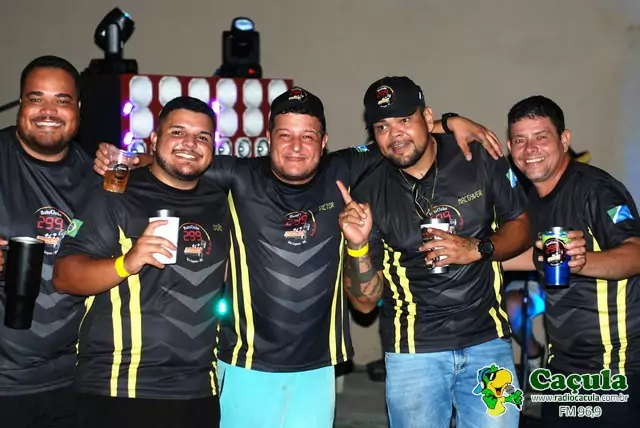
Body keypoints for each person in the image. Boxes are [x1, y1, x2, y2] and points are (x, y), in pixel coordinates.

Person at [93, 86, 503, 428]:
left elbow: (397, 137)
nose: (296, 146)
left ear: (323, 142)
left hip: (318, 369)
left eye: (308, 136)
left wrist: (448, 122)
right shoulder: (238, 176)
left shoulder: (344, 168)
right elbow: (182, 161)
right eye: (285, 134)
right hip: (245, 365)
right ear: (269, 138)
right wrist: (131, 160)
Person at [339, 75, 536, 428]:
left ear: (428, 118)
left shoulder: (476, 156)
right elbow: (365, 304)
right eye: (382, 126)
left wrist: (478, 248)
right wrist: (356, 246)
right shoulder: (369, 188)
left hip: (488, 340)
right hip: (414, 351)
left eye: (404, 119)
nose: (395, 134)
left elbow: (521, 226)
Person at [53, 96, 228, 428]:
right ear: (155, 139)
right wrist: (127, 262)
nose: (190, 143)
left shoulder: (220, 201)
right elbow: (63, 275)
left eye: (202, 136)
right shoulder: (116, 192)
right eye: (178, 132)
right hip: (120, 389)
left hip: (198, 391)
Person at [505, 95, 640, 427]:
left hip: (614, 368)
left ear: (564, 140)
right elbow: (536, 257)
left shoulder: (596, 190)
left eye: (541, 137)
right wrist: (475, 256)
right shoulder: (532, 198)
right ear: (510, 147)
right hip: (562, 368)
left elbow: (636, 254)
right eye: (520, 140)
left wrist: (579, 262)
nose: (530, 149)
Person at [0, 55, 98, 428]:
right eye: (36, 98)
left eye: (62, 100)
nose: (48, 111)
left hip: (73, 382)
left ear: (78, 109)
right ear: (20, 104)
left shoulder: (97, 177)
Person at [503, 147, 592, 375]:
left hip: (577, 283)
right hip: (532, 279)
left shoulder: (587, 195)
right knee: (513, 305)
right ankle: (534, 354)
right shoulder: (528, 200)